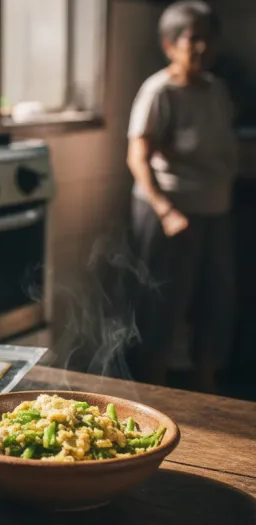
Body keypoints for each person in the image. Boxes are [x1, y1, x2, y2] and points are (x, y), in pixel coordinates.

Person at [126, 1, 238, 392]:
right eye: (193, 39)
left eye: (209, 39)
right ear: (169, 44)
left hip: (215, 211)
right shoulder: (159, 91)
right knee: (162, 310)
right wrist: (167, 211)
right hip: (169, 215)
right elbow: (137, 157)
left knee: (215, 306)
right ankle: (152, 399)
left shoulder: (217, 89)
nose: (203, 48)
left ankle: (206, 399)